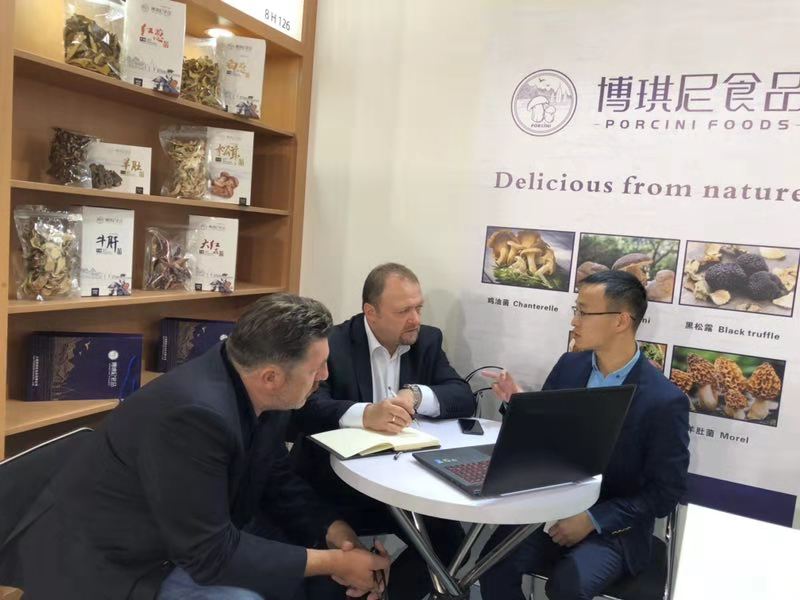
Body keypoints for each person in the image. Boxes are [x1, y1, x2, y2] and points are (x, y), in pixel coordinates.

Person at [0, 294, 389, 600]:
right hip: (112, 562)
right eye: (316, 368)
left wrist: (335, 533)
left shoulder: (253, 383)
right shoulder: (193, 417)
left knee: (313, 581)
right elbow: (211, 555)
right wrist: (334, 563)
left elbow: (275, 478)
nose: (324, 376)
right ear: (271, 377)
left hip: (177, 539)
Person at [479, 270, 690, 600]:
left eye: (583, 312)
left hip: (613, 529)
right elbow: (543, 442)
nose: (574, 321)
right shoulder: (569, 365)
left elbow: (665, 492)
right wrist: (521, 407)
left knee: (568, 585)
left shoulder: (664, 400)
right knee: (490, 567)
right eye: (575, 310)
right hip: (549, 511)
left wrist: (593, 519)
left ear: (620, 321)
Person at [290, 263, 476, 599]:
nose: (415, 319)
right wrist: (365, 414)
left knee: (451, 544)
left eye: (419, 308)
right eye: (404, 311)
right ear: (370, 312)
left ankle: (387, 592)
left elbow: (462, 396)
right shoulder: (334, 343)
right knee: (329, 578)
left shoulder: (427, 340)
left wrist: (416, 395)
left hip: (405, 484)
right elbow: (307, 407)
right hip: (335, 484)